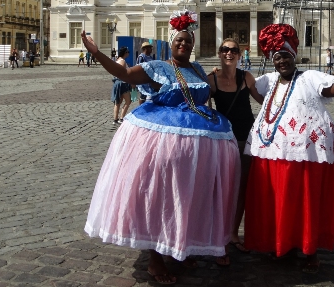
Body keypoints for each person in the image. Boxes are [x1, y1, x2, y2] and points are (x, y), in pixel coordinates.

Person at [81, 9, 240, 285]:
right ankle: (155, 259)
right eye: (180, 40)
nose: (184, 45)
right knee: (161, 197)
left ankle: (181, 245)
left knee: (188, 196)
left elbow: (208, 96)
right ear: (171, 41)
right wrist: (97, 53)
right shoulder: (158, 66)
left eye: (188, 41)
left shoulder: (197, 68)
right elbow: (125, 73)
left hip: (196, 146)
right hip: (164, 143)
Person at [243, 24, 334, 274]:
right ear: (272, 61)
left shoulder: (309, 77)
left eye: (285, 56)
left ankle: (310, 250)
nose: (282, 61)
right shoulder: (270, 81)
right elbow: (255, 92)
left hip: (307, 155)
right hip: (274, 153)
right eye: (277, 57)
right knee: (281, 201)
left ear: (293, 57)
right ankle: (283, 244)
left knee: (305, 201)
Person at [207, 38, 264, 263]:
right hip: (223, 141)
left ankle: (232, 234)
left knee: (241, 188)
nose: (229, 53)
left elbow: (263, 100)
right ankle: (218, 239)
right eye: (225, 50)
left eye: (233, 50)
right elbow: (200, 107)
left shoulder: (246, 77)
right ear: (219, 54)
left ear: (240, 55)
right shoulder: (211, 80)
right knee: (222, 189)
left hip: (247, 139)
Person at [111, 47, 133, 125]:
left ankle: (115, 119)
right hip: (122, 83)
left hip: (117, 82)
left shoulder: (117, 61)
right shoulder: (122, 61)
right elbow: (124, 74)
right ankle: (121, 117)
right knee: (128, 100)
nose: (128, 54)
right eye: (128, 52)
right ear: (125, 53)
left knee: (118, 102)